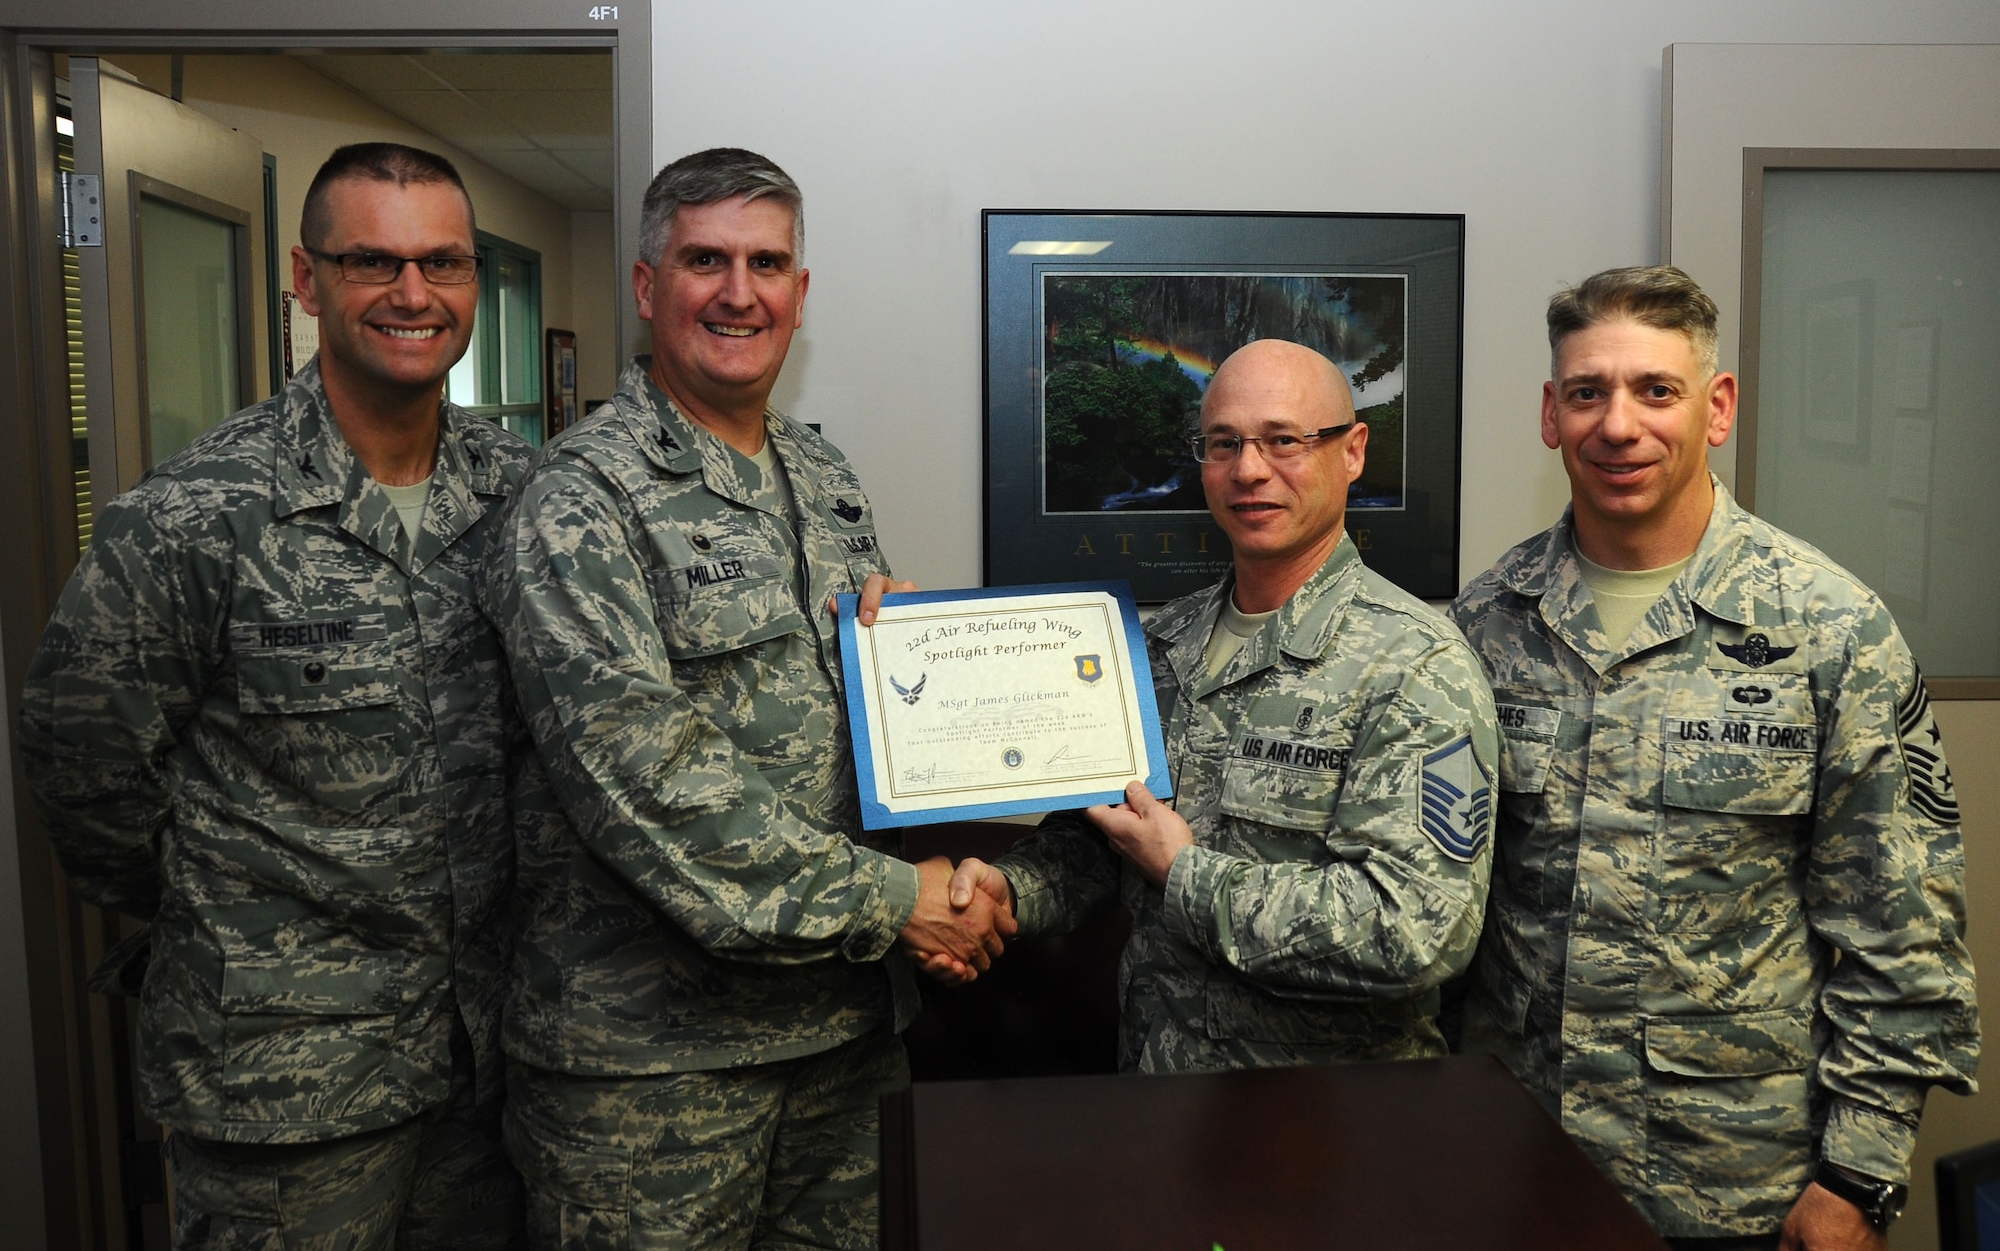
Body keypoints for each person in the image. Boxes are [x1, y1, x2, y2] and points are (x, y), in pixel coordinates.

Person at [485, 146, 1010, 1249]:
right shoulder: (579, 497)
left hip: (841, 1040)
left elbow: (837, 726)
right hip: (651, 1072)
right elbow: (646, 777)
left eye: (766, 262)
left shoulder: (823, 478)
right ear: (645, 285)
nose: (739, 291)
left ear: (800, 295)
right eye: (704, 260)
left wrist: (900, 656)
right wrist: (899, 901)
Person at [21, 142, 533, 1248]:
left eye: (441, 262)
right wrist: (231, 918)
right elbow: (84, 766)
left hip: (485, 1059)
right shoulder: (196, 512)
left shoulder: (526, 496)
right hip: (283, 1086)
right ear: (306, 281)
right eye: (371, 262)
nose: (412, 294)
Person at [1450, 265, 1978, 1250]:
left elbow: (1902, 936)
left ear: (1716, 405)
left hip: (1738, 1192)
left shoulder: (1827, 631)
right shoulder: (1484, 624)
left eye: (1655, 390)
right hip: (1515, 1170)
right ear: (1548, 414)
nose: (1618, 424)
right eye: (1585, 391)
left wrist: (1855, 1179)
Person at [940, 338, 1498, 1071]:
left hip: (1326, 1133)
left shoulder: (1415, 664)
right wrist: (1013, 889)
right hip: (1158, 1096)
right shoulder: (1161, 643)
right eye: (1223, 443)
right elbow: (1106, 841)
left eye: (1283, 440)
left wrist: (1187, 873)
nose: (1249, 469)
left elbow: (1415, 930)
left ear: (1353, 450)